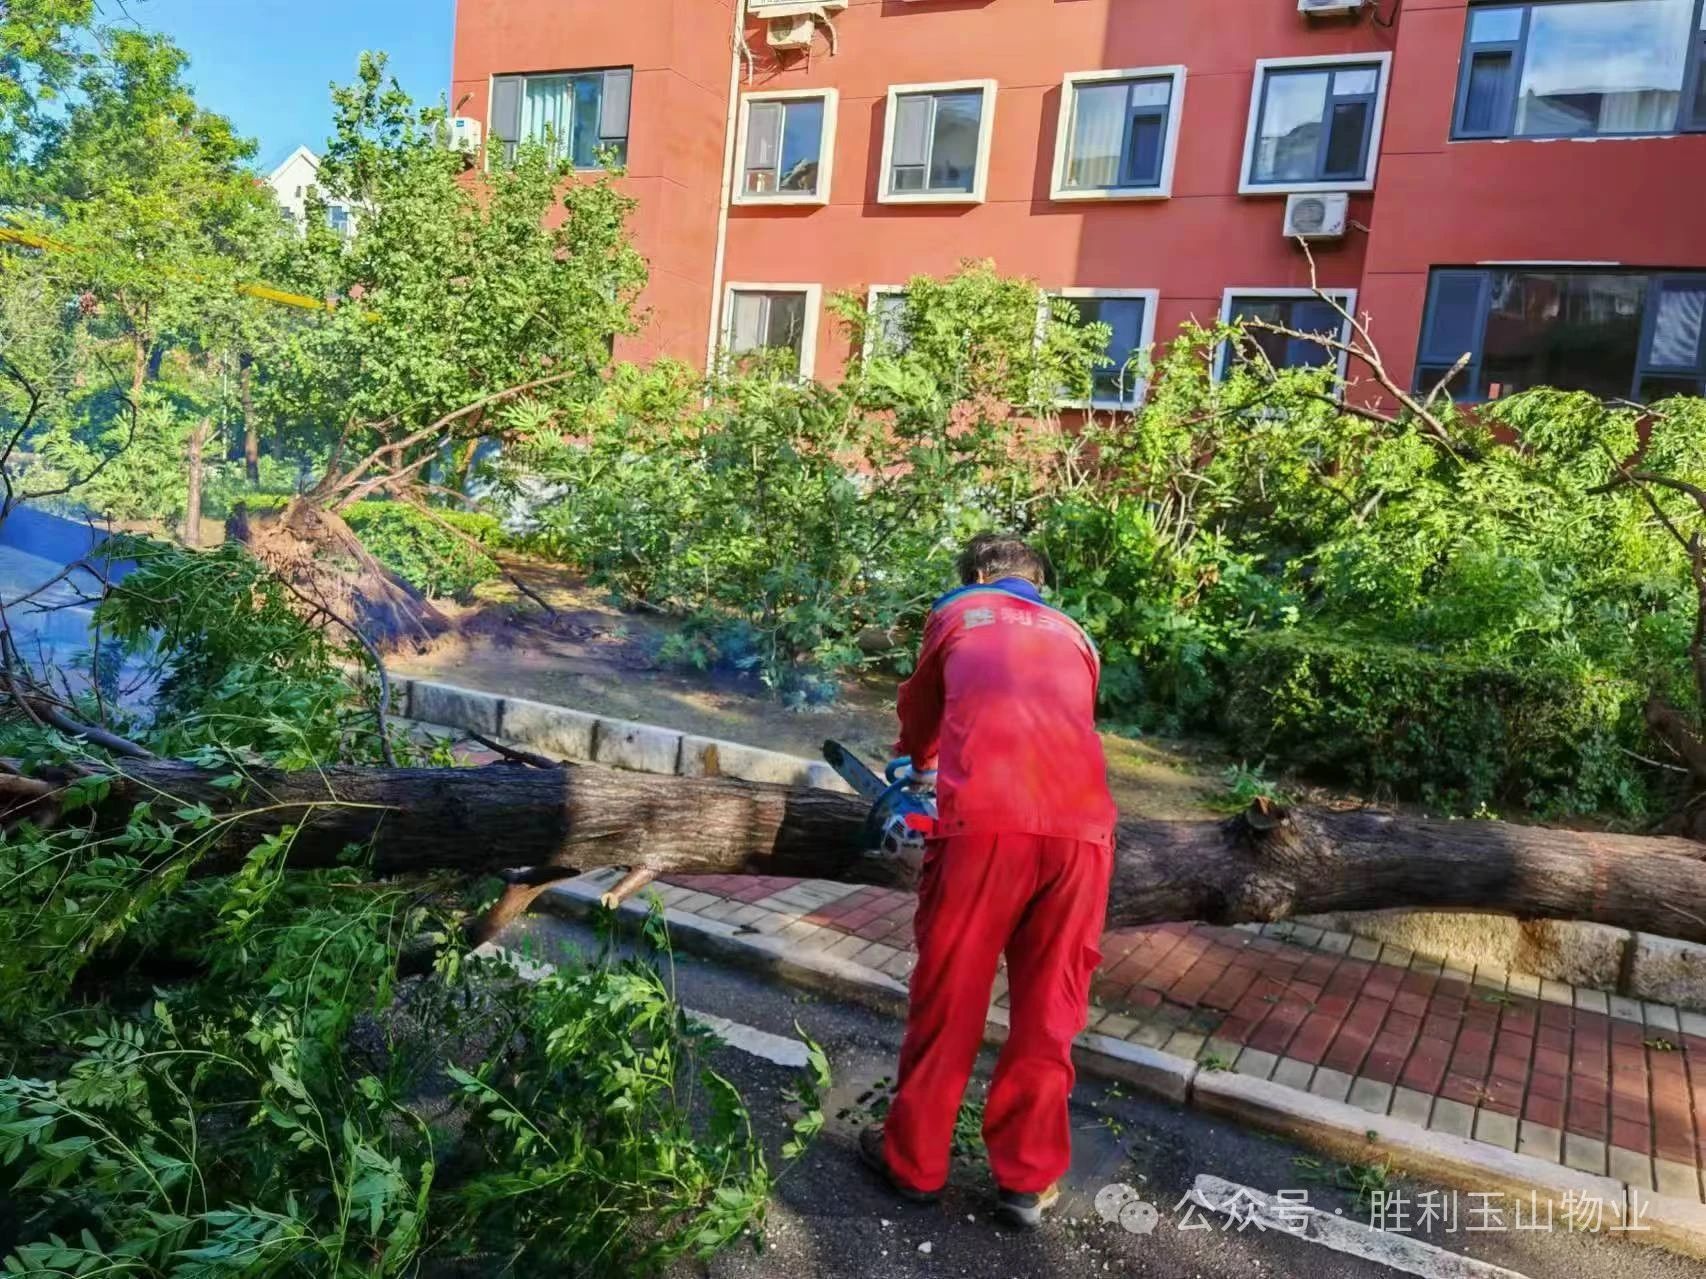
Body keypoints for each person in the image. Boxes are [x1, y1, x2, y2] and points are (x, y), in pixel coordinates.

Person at [859, 533, 1117, 1229]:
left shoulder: (956, 613)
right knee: (1049, 1012)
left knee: (951, 998)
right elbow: (1057, 725)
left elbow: (921, 713)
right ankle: (1027, 1182)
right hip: (1083, 837)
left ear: (977, 574)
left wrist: (916, 765)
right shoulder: (1076, 635)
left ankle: (914, 1164)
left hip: (985, 830)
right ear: (1038, 583)